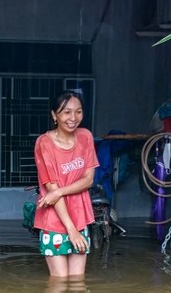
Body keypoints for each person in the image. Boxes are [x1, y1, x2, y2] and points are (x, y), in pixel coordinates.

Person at [33, 91, 99, 277]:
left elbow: (88, 180)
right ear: (54, 115)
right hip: (54, 220)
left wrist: (59, 192)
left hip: (80, 217)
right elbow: (51, 189)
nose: (73, 118)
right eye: (66, 112)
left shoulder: (85, 136)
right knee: (59, 285)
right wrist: (71, 230)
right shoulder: (44, 143)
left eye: (78, 112)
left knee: (78, 283)